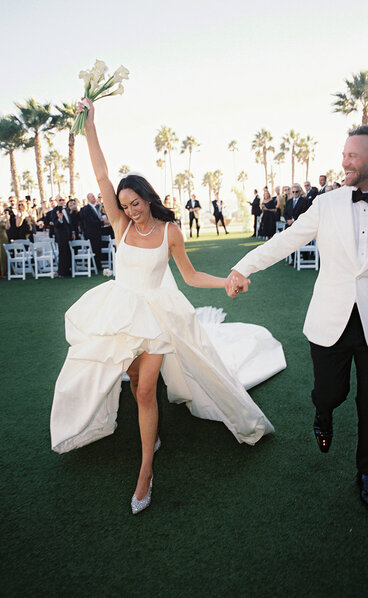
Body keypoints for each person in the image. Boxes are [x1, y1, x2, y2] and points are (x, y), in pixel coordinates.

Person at [50, 99, 286, 515]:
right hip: (119, 311)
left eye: (134, 203)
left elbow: (190, 276)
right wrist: (90, 124)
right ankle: (150, 429)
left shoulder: (170, 231)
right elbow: (102, 173)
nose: (129, 211)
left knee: (143, 390)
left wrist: (227, 280)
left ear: (147, 198)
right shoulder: (121, 226)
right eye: (123, 206)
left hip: (156, 316)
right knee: (134, 376)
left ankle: (145, 470)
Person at [226, 125, 368, 508]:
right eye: (344, 154)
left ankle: (366, 471)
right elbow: (286, 241)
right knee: (332, 392)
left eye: (352, 155)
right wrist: (243, 268)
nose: (344, 161)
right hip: (330, 320)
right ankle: (323, 412)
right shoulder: (326, 204)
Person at [80, 192, 105, 270]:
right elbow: (90, 221)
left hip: (98, 232)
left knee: (98, 249)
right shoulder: (86, 209)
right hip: (91, 233)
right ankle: (95, 266)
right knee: (94, 249)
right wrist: (103, 222)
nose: (94, 198)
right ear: (88, 199)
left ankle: (98, 265)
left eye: (94, 196)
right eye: (92, 197)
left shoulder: (97, 207)